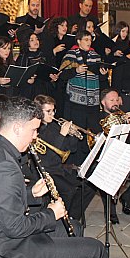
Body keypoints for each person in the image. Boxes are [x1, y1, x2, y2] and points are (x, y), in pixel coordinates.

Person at [0, 96, 113, 258]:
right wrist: (52, 214)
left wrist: (31, 193)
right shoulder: (4, 166)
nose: (36, 136)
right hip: (7, 255)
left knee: (71, 228)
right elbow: (15, 227)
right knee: (95, 250)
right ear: (17, 128)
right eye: (34, 130)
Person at [34, 94, 97, 223]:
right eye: (48, 111)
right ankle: (62, 220)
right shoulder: (37, 130)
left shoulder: (54, 125)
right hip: (47, 171)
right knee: (69, 190)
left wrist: (72, 135)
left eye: (53, 110)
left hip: (59, 168)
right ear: (39, 111)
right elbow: (49, 158)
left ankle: (73, 216)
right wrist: (62, 134)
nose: (52, 114)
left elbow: (71, 149)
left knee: (90, 184)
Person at [97, 89, 130, 221]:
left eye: (117, 100)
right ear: (103, 102)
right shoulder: (96, 118)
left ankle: (127, 199)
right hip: (107, 158)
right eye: (111, 100)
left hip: (124, 155)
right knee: (110, 180)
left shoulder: (123, 116)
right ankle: (110, 209)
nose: (115, 103)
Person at [59, 30, 107, 164]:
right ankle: (75, 165)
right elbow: (61, 75)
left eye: (90, 40)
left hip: (92, 103)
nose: (88, 42)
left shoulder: (96, 56)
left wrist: (103, 74)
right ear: (78, 41)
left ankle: (89, 164)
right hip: (75, 102)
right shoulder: (70, 55)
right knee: (77, 135)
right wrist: (76, 70)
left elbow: (102, 79)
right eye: (85, 40)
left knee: (90, 135)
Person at [14, 32, 57, 99]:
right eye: (32, 40)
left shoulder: (44, 54)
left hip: (45, 87)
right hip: (30, 89)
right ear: (27, 42)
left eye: (37, 39)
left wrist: (53, 77)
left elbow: (50, 68)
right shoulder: (23, 57)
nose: (36, 41)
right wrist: (27, 79)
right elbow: (19, 76)